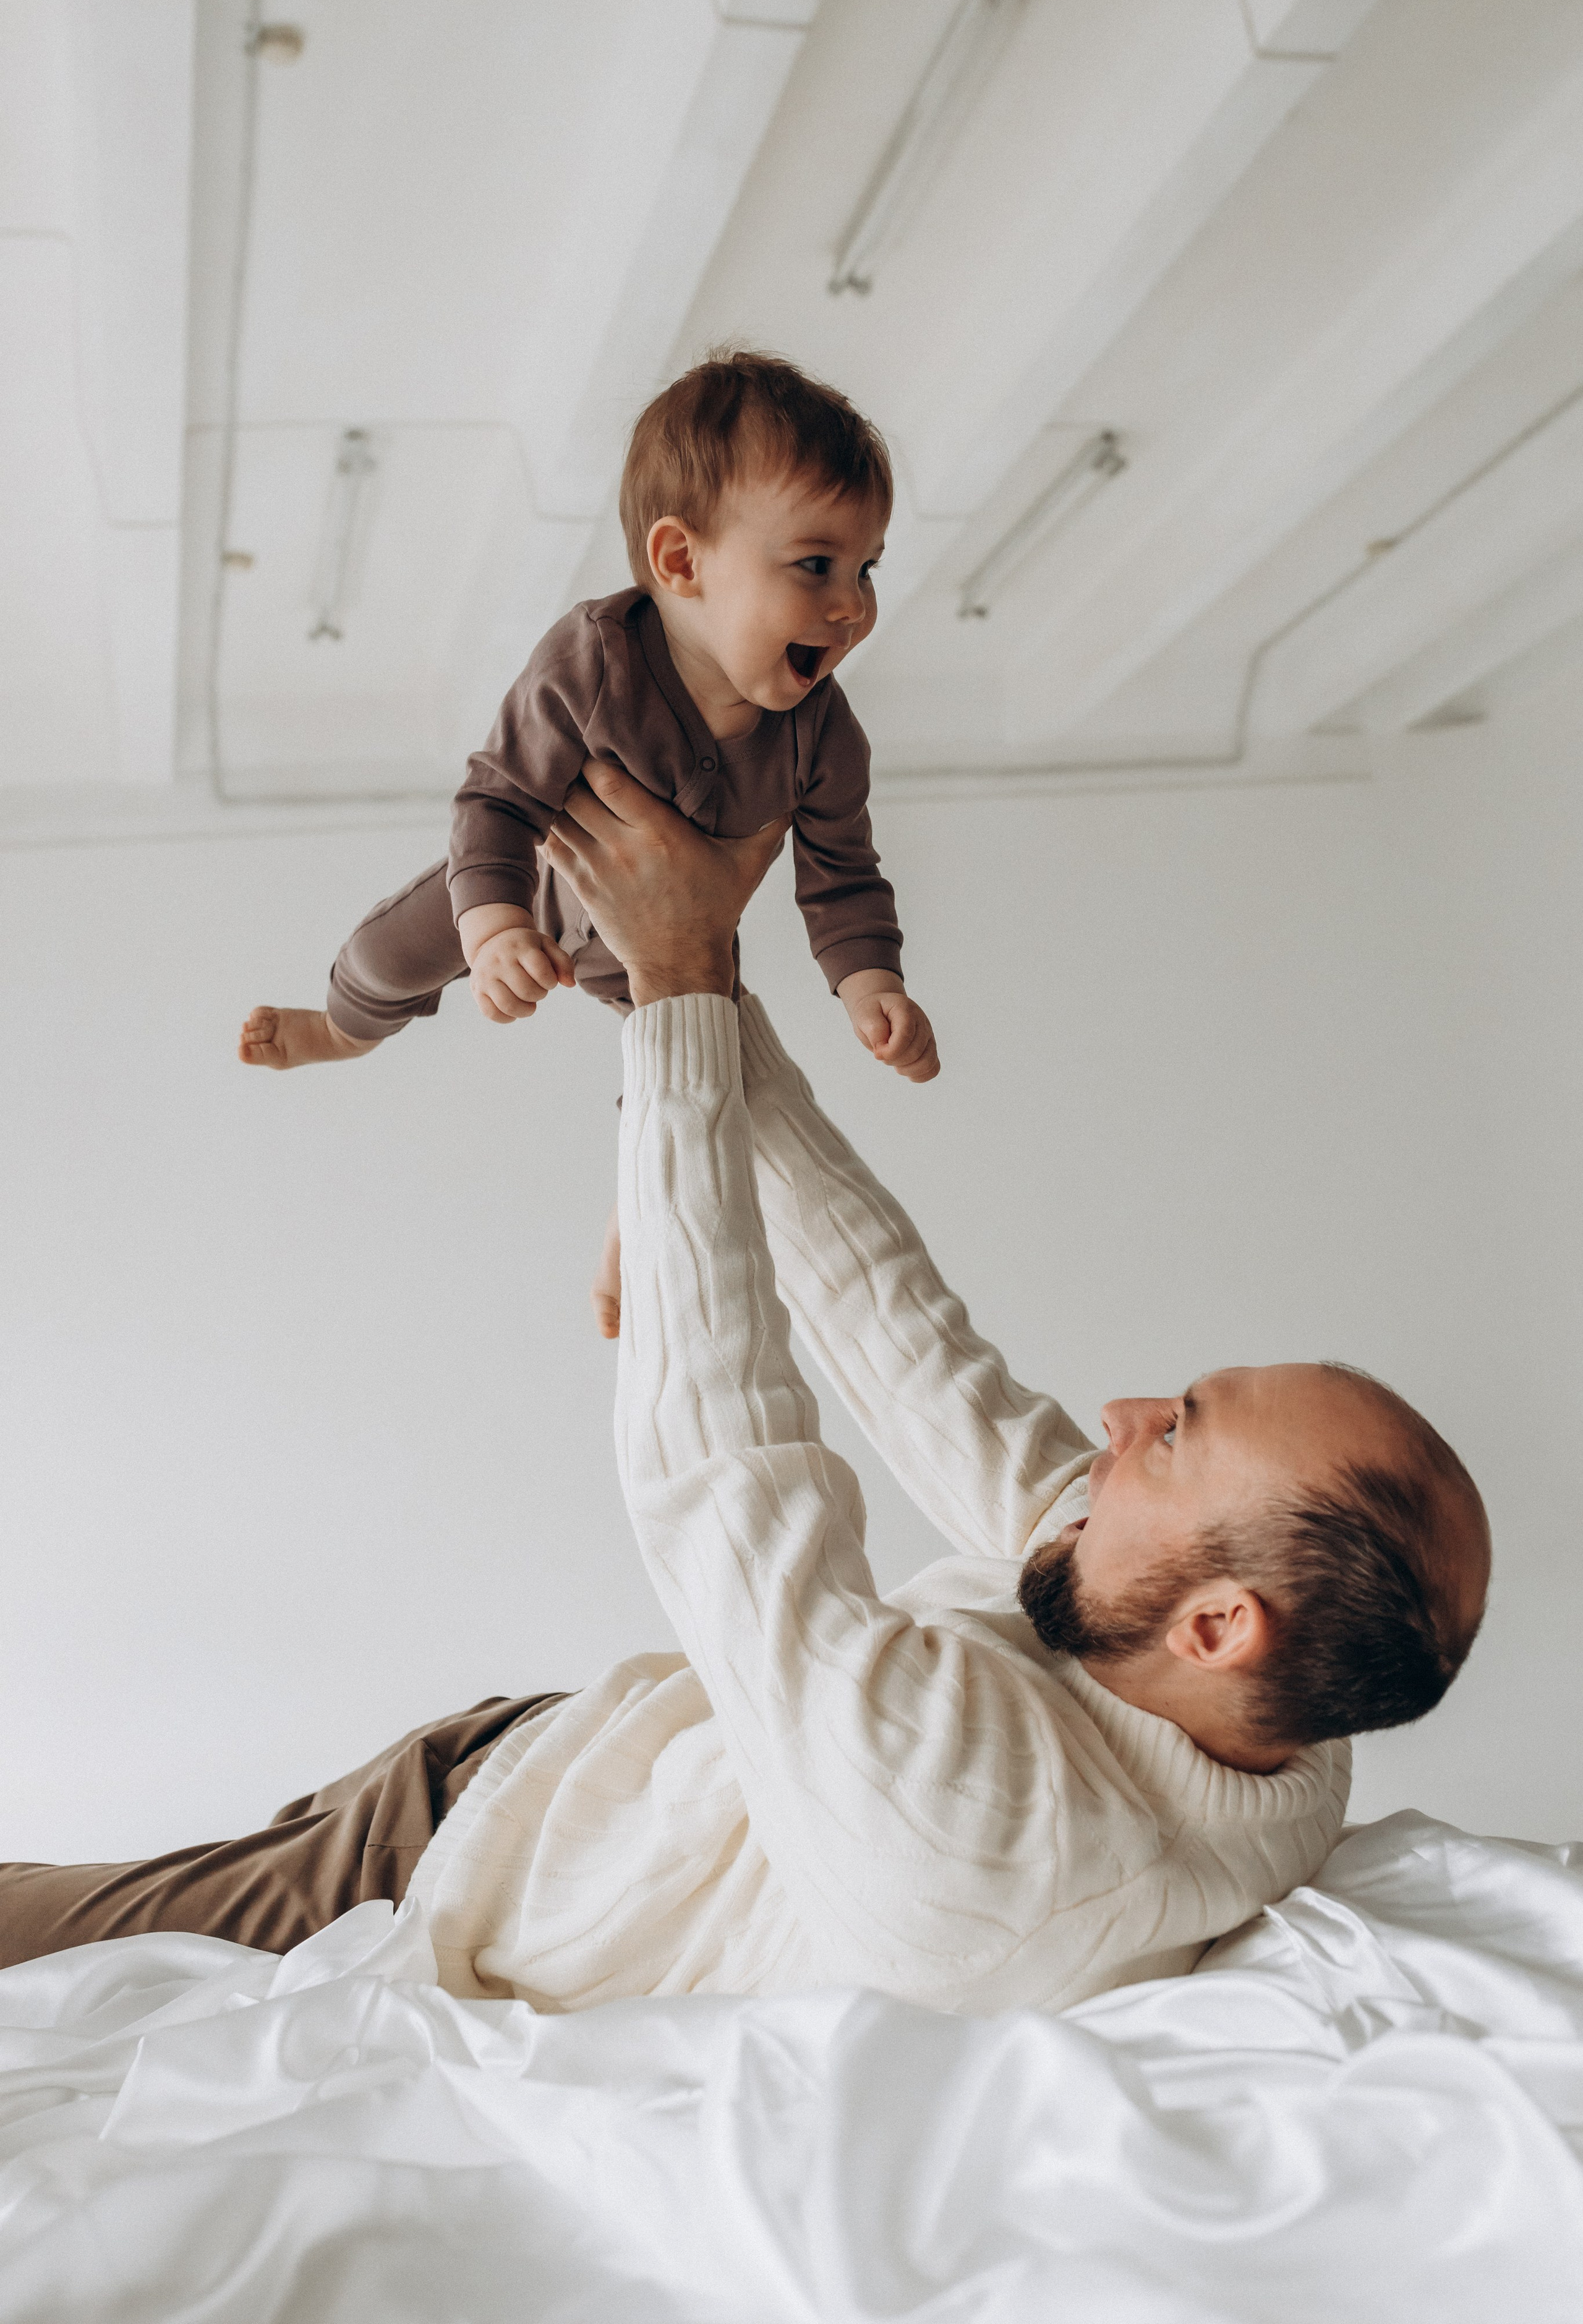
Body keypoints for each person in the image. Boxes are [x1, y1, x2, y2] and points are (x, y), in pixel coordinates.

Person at [0, 769, 1491, 2009]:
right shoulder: (1274, 1700)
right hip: (543, 1751)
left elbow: (725, 1479)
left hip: (438, 1866)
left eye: (1171, 1435)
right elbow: (907, 1343)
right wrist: (676, 1007)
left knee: (38, 1930)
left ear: (1219, 1621)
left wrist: (676, 999)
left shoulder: (991, 1837)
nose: (1113, 1419)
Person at [236, 350, 939, 1334]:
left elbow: (844, 875)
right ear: (682, 562)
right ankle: (344, 1030)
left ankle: (629, 1234)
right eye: (816, 565)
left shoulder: (824, 734)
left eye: (866, 570)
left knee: (696, 1083)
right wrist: (490, 931)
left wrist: (875, 987)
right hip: (530, 888)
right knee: (386, 951)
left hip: (673, 949)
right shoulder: (596, 659)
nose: (852, 604)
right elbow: (498, 799)